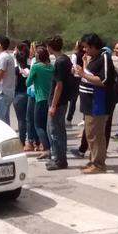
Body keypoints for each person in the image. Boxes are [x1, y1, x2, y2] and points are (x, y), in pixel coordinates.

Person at [75, 34, 115, 174]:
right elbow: (89, 75)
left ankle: (99, 164)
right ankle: (93, 160)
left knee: (96, 135)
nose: (84, 50)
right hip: (89, 104)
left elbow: (103, 80)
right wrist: (82, 71)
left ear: (93, 46)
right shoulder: (94, 59)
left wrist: (83, 74)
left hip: (97, 103)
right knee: (91, 134)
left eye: (86, 47)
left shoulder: (104, 58)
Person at [46, 36, 74, 171]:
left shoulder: (59, 62)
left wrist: (53, 105)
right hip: (63, 100)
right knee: (59, 130)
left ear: (50, 47)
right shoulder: (66, 59)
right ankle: (59, 158)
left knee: (56, 131)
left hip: (59, 101)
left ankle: (59, 160)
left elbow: (59, 85)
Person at [26, 45, 54, 161]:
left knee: (38, 126)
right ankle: (50, 148)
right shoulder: (51, 67)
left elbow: (28, 82)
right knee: (46, 125)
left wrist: (28, 74)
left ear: (38, 56)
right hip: (49, 98)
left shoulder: (36, 67)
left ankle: (46, 149)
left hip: (40, 98)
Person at [11, 42, 33, 149]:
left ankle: (21, 141)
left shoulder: (15, 70)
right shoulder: (31, 68)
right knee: (29, 119)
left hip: (18, 95)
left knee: (21, 119)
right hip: (29, 94)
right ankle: (31, 140)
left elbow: (13, 84)